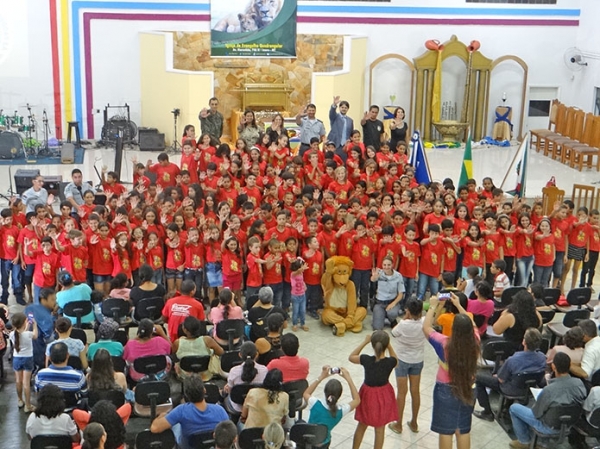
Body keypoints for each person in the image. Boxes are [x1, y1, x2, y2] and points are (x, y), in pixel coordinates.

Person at [423, 294, 480, 449]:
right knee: (463, 429)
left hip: (445, 389)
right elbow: (472, 323)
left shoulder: (444, 343)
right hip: (469, 387)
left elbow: (426, 328)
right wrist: (460, 306)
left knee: (446, 431)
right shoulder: (475, 341)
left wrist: (433, 306)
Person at [508, 352, 586, 449]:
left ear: (553, 367)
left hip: (549, 426)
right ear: (569, 366)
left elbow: (537, 413)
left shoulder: (549, 390)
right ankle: (541, 443)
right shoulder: (579, 383)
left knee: (514, 408)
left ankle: (524, 441)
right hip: (569, 425)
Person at [473, 328, 547, 422]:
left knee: (478, 378)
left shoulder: (513, 359)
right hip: (529, 389)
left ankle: (487, 412)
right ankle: (506, 408)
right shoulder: (542, 358)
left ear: (524, 342)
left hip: (511, 388)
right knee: (515, 378)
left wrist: (497, 376)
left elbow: (501, 380)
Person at [349, 331, 398, 449]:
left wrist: (364, 342)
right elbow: (395, 360)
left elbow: (351, 357)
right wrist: (390, 346)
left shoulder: (366, 359)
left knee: (362, 425)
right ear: (386, 346)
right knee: (380, 429)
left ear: (372, 345)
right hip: (383, 395)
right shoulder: (390, 362)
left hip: (368, 394)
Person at [150, 376, 229, 449]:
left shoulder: (181, 411)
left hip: (187, 446)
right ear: (204, 390)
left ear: (186, 395)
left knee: (175, 425)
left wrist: (163, 415)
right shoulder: (220, 410)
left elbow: (154, 428)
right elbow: (228, 433)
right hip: (212, 444)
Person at [388, 298, 426, 435]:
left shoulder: (403, 324)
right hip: (417, 360)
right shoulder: (423, 323)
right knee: (415, 391)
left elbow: (393, 333)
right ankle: (414, 422)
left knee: (401, 393)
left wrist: (405, 318)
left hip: (402, 360)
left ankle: (398, 424)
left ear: (408, 311)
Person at [304, 365, 360, 447]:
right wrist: (348, 378)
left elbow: (306, 393)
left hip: (308, 440)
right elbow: (357, 400)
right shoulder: (341, 410)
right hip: (324, 442)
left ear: (325, 391)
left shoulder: (315, 403)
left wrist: (321, 377)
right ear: (340, 395)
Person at [174, 316, 224, 381]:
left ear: (185, 330)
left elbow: (173, 355)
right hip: (205, 374)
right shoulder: (207, 340)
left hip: (185, 375)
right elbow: (221, 352)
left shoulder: (178, 342)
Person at [223, 341, 268, 412]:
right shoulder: (264, 370)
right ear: (256, 355)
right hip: (257, 404)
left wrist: (228, 387)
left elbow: (230, 391)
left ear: (240, 355)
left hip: (238, 407)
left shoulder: (234, 371)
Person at [10, 312, 37, 412]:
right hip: (28, 359)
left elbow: (20, 334)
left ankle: (20, 400)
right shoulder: (28, 334)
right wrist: (34, 325)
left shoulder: (12, 334)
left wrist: (27, 324)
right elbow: (35, 335)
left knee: (18, 381)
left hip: (17, 359)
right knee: (26, 383)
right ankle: (28, 405)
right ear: (24, 323)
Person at [25, 287, 57, 369]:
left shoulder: (30, 307)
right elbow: (48, 337)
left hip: (24, 349)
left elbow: (30, 322)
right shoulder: (47, 318)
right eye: (52, 300)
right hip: (38, 352)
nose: (55, 302)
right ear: (43, 300)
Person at [370, 256, 404, 330]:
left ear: (392, 265)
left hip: (392, 301)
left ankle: (392, 320)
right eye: (384, 265)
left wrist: (393, 304)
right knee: (377, 328)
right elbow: (373, 279)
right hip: (380, 302)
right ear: (382, 265)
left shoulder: (398, 276)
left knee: (392, 313)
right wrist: (374, 277)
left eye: (389, 265)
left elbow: (401, 294)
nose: (386, 267)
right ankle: (381, 315)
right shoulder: (379, 273)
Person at [328, 96, 354, 162]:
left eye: (345, 108)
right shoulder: (335, 117)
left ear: (348, 109)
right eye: (342, 107)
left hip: (345, 146)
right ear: (339, 108)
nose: (344, 109)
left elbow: (351, 133)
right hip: (335, 144)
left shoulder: (350, 120)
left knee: (344, 163)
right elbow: (332, 113)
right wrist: (334, 105)